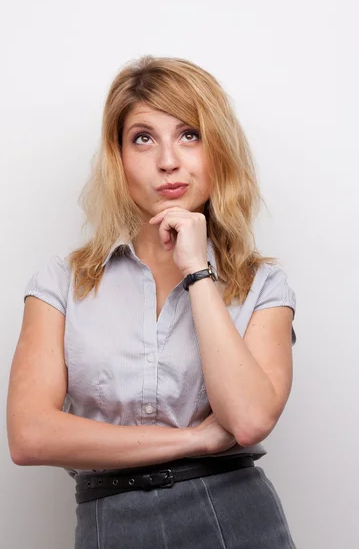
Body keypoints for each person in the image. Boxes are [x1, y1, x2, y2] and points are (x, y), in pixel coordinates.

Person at [7, 55, 298, 548]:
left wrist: (197, 271)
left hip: (233, 518)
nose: (168, 160)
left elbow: (248, 419)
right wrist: (193, 439)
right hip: (110, 524)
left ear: (218, 151)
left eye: (190, 135)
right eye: (143, 137)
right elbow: (29, 435)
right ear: (118, 158)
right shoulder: (62, 282)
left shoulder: (262, 285)